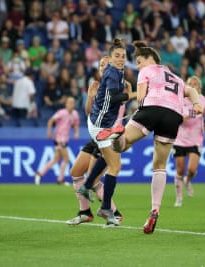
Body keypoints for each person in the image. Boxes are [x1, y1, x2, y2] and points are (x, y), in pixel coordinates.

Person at [96, 41, 203, 234]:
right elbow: (192, 91)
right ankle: (154, 210)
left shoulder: (147, 71)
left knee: (121, 145)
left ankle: (118, 134)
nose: (137, 66)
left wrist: (142, 114)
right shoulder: (176, 78)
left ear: (149, 59)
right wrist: (196, 105)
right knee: (160, 166)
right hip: (174, 116)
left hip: (152, 108)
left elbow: (140, 99)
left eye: (138, 61)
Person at [76, 38, 135, 227]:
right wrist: (134, 95)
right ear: (109, 58)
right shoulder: (111, 74)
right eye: (117, 56)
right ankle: (106, 208)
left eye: (123, 56)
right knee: (115, 166)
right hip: (100, 125)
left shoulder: (119, 71)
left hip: (104, 124)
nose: (120, 59)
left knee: (109, 160)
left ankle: (87, 187)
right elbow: (116, 98)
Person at [66, 56, 129, 225]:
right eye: (101, 64)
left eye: (106, 64)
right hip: (96, 136)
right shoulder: (99, 86)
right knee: (76, 172)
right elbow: (89, 113)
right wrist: (90, 96)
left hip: (107, 137)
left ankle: (114, 214)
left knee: (93, 180)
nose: (102, 67)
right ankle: (85, 212)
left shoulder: (116, 86)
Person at [173, 76, 205, 207]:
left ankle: (188, 180)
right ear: (186, 86)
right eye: (191, 84)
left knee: (191, 170)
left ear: (199, 87)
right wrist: (191, 114)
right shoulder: (180, 100)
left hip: (196, 139)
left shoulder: (204, 101)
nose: (193, 86)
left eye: (196, 84)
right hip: (179, 138)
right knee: (180, 169)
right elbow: (179, 119)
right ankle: (179, 198)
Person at [34, 97, 80, 185]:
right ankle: (60, 179)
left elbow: (75, 124)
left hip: (65, 138)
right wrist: (49, 132)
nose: (71, 104)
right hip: (59, 138)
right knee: (66, 159)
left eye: (73, 103)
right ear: (66, 104)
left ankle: (39, 173)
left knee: (56, 159)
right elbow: (51, 120)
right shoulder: (61, 113)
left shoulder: (75, 114)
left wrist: (76, 133)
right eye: (69, 103)